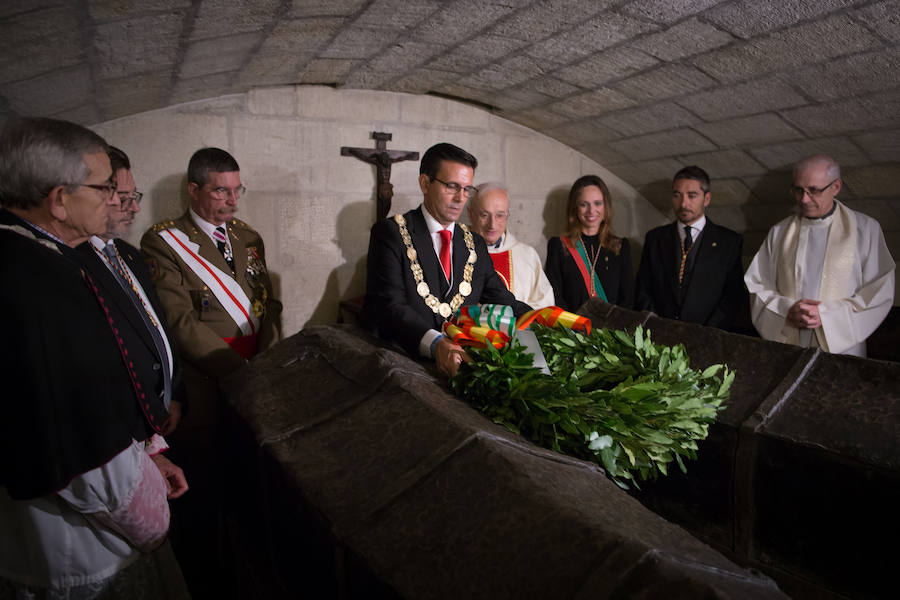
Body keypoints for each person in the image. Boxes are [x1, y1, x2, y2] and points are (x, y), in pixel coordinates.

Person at [0, 117, 187, 598]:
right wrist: (151, 517)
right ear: (59, 200)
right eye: (104, 187)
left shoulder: (36, 255)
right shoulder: (38, 285)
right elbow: (82, 444)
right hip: (76, 548)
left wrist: (149, 450)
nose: (114, 199)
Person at [140, 147, 282, 597]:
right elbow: (178, 321)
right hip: (206, 385)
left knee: (248, 481)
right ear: (195, 189)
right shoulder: (162, 242)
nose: (232, 201)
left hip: (254, 375)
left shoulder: (248, 237)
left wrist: (268, 362)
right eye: (221, 191)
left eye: (237, 190)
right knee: (204, 491)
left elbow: (268, 306)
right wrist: (237, 370)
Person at [364, 142, 531, 377]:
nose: (460, 198)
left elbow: (503, 300)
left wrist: (547, 322)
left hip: (462, 365)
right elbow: (390, 307)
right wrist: (435, 344)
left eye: (466, 189)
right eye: (452, 187)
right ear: (424, 183)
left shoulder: (474, 243)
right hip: (402, 363)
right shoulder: (390, 233)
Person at [76, 146, 185, 437]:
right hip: (123, 429)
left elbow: (157, 325)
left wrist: (174, 393)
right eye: (123, 198)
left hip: (163, 411)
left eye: (133, 197)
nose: (135, 207)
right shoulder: (74, 263)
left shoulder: (129, 254)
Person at [745, 154, 895, 357]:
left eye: (813, 190)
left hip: (842, 346)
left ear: (836, 187)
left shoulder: (865, 229)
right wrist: (787, 310)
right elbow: (757, 285)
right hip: (789, 342)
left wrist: (827, 316)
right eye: (798, 190)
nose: (804, 199)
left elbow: (879, 290)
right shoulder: (779, 232)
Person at [634, 166, 748, 331]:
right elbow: (644, 289)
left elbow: (732, 296)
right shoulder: (655, 238)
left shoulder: (728, 242)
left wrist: (707, 333)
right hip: (660, 336)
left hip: (708, 337)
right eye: (677, 195)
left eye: (692, 196)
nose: (683, 203)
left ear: (706, 199)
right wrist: (656, 326)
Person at [545, 175, 633, 312]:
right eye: (584, 204)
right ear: (575, 208)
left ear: (606, 207)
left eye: (597, 203)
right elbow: (554, 296)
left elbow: (627, 299)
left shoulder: (620, 247)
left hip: (612, 330)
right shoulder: (559, 246)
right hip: (570, 329)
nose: (591, 211)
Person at [467, 182, 555, 308]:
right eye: (484, 215)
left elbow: (544, 304)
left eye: (500, 215)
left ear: (508, 215)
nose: (492, 224)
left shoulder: (526, 255)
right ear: (470, 214)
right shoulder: (456, 249)